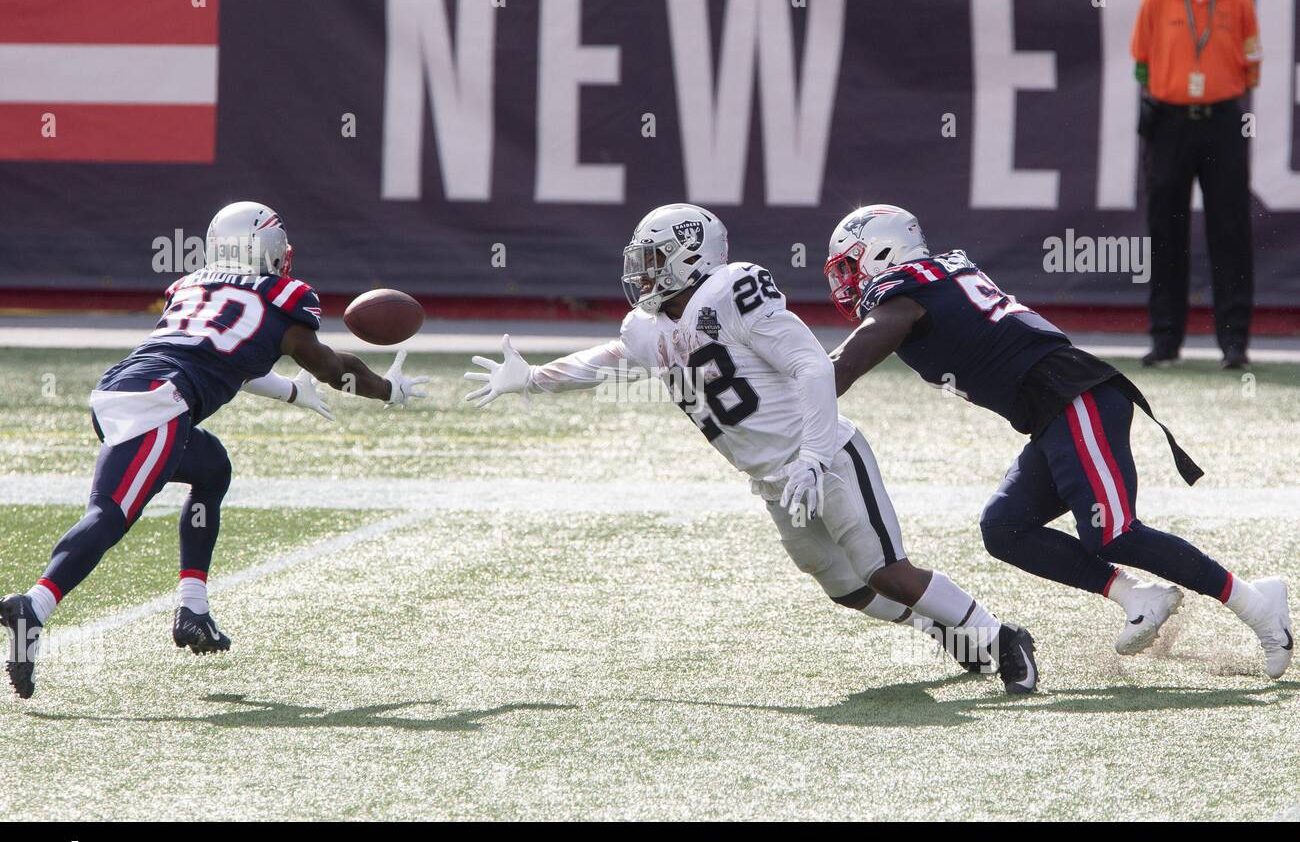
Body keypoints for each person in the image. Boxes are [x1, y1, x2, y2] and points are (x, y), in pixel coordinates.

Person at [464, 203, 1040, 694]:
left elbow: (810, 362)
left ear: (691, 255)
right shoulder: (644, 327)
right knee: (843, 586)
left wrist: (814, 457)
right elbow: (610, 360)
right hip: (771, 477)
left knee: (886, 571)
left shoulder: (730, 291)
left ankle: (1002, 638)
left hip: (826, 455)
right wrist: (536, 378)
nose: (642, 271)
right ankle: (946, 629)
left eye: (655, 257)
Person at [823, 204, 1291, 679]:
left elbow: (848, 361)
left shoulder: (905, 291)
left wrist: (794, 393)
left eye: (850, 265)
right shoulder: (933, 277)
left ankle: (1256, 603)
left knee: (1114, 532)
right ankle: (1137, 596)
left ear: (885, 251)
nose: (847, 280)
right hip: (1054, 411)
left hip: (1075, 396)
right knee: (1005, 526)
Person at [0, 201, 429, 699]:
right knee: (109, 514)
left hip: (126, 390)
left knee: (212, 469)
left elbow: (224, 353)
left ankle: (193, 611)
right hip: (158, 403)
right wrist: (386, 390)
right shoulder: (284, 301)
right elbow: (332, 366)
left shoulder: (194, 286)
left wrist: (291, 391)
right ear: (269, 250)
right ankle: (35, 606)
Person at [1131, 0, 1260, 369]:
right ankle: (1165, 339)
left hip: (1221, 120)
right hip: (1169, 122)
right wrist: (1164, 93)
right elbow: (1140, 62)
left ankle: (1234, 342)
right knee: (1165, 227)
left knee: (1230, 227)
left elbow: (1252, 67)